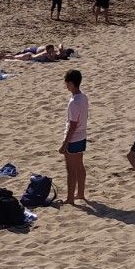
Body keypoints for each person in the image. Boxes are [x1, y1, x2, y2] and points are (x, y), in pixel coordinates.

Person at [60, 68, 88, 205]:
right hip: (82, 136)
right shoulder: (84, 97)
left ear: (71, 83)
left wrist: (65, 143)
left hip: (74, 138)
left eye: (66, 82)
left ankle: (70, 198)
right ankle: (80, 193)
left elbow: (72, 125)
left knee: (71, 170)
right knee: (80, 166)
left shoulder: (73, 102)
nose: (65, 85)